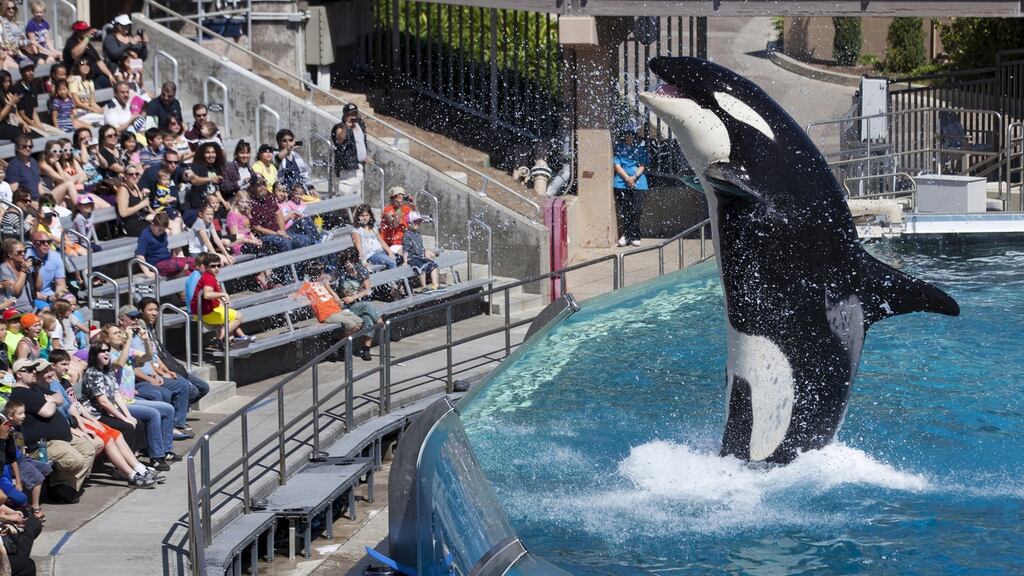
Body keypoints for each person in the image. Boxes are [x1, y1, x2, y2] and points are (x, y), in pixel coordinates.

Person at [46, 350, 158, 487]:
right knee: (107, 438)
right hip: (75, 424)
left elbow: (78, 406)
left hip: (85, 418)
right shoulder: (53, 386)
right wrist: (87, 424)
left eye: (67, 364)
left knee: (116, 434)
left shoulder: (65, 382)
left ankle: (139, 467)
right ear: (53, 365)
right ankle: (131, 474)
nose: (66, 368)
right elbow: (71, 412)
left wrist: (93, 420)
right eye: (63, 364)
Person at [9, 357, 96, 503]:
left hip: (60, 438)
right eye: (29, 370)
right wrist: (50, 401)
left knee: (90, 448)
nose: (34, 372)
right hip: (42, 444)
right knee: (76, 460)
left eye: (34, 369)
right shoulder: (20, 393)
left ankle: (64, 487)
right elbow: (47, 412)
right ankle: (58, 486)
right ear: (19, 374)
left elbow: (59, 397)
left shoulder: (34, 387)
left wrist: (51, 400)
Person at [81, 340, 175, 471]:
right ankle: (128, 467)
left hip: (106, 411)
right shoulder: (92, 373)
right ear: (94, 355)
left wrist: (128, 415)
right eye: (102, 351)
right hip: (94, 414)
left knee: (138, 423)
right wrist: (124, 419)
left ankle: (137, 459)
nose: (107, 353)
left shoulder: (108, 371)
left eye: (108, 350)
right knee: (127, 427)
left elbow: (116, 395)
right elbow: (103, 402)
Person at [135, 297, 209, 411]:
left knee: (203, 387)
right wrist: (161, 371)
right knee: (191, 390)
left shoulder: (150, 327)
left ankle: (178, 411)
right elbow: (148, 357)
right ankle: (177, 417)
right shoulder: (139, 331)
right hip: (157, 370)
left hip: (170, 366)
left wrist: (166, 369)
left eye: (156, 310)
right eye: (150, 310)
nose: (154, 313)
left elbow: (156, 353)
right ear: (141, 311)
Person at [2, 397, 52, 516]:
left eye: (24, 412)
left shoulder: (19, 427)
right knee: (37, 478)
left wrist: (23, 449)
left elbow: (19, 444)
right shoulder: (7, 431)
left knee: (47, 468)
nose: (24, 416)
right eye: (20, 413)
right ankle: (35, 507)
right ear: (10, 416)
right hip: (16, 463)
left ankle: (36, 496)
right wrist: (18, 481)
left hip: (23, 458)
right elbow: (11, 456)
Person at [191, 253, 252, 346]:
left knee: (229, 315)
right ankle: (219, 338)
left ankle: (232, 339)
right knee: (239, 317)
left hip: (202, 312)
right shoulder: (209, 278)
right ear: (206, 267)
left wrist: (221, 300)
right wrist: (223, 294)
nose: (216, 268)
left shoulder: (208, 277)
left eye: (218, 265)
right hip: (206, 313)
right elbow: (207, 295)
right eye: (213, 266)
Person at [336, 248, 385, 361]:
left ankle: (365, 349)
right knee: (367, 305)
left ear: (354, 260)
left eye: (349, 261)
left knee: (368, 319)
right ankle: (381, 323)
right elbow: (328, 281)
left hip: (358, 304)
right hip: (347, 307)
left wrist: (353, 297)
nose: (347, 264)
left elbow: (368, 290)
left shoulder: (362, 271)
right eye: (345, 261)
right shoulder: (340, 272)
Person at [290, 260, 362, 335]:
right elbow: (295, 295)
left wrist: (327, 286)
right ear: (320, 274)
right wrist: (295, 296)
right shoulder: (307, 286)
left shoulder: (322, 284)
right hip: (327, 315)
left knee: (359, 322)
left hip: (337, 311)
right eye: (324, 273)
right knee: (352, 325)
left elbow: (337, 299)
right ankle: (343, 343)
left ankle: (344, 340)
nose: (326, 275)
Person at [613, 122, 649, 247]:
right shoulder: (619, 148)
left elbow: (642, 165)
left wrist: (633, 177)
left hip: (639, 184)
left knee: (637, 210)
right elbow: (617, 165)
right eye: (627, 135)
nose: (629, 138)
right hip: (621, 183)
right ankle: (628, 235)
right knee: (625, 210)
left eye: (631, 135)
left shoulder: (641, 149)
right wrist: (627, 178)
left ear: (634, 136)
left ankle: (633, 235)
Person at [331, 103, 372, 195]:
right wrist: (346, 126)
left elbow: (360, 143)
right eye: (350, 114)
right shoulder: (339, 127)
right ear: (345, 115)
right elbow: (339, 141)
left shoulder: (360, 125)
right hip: (347, 169)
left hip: (359, 167)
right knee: (345, 197)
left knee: (357, 196)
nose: (353, 117)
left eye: (355, 114)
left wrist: (364, 156)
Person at [12, 62, 61, 137]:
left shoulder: (33, 87)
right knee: (46, 136)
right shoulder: (17, 88)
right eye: (27, 71)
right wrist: (37, 127)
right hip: (25, 123)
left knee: (60, 134)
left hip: (33, 121)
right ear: (21, 72)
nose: (31, 73)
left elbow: (34, 111)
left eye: (32, 70)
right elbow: (22, 115)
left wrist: (40, 125)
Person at [136, 212, 192, 278]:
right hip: (157, 265)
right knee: (181, 265)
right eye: (159, 230)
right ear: (153, 224)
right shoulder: (145, 235)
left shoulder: (163, 233)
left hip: (168, 262)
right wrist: (147, 273)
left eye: (163, 230)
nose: (161, 232)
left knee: (194, 262)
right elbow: (139, 255)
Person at [62, 21, 114, 89]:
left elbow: (98, 61)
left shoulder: (87, 43)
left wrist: (110, 75)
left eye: (87, 29)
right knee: (97, 88)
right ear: (77, 31)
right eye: (84, 30)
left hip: (95, 75)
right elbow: (75, 55)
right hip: (81, 77)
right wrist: (87, 38)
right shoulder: (72, 41)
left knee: (109, 84)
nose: (87, 31)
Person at [185, 141, 227, 226]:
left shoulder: (215, 168)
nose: (211, 155)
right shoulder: (197, 166)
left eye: (213, 152)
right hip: (200, 207)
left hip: (214, 206)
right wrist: (210, 179)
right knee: (213, 222)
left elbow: (215, 188)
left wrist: (223, 201)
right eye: (207, 152)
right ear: (202, 154)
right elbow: (194, 180)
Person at [402, 211, 444, 293]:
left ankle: (435, 285)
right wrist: (405, 261)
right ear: (409, 223)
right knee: (421, 266)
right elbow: (405, 250)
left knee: (433, 265)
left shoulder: (417, 233)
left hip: (420, 257)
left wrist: (425, 252)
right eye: (415, 222)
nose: (417, 224)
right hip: (412, 258)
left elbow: (420, 247)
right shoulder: (407, 235)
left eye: (419, 222)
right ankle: (424, 287)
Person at [25, 231, 64, 308]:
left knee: (71, 304)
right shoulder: (26, 258)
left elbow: (61, 283)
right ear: (34, 243)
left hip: (50, 295)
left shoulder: (55, 256)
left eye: (49, 242)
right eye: (42, 242)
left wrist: (58, 294)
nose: (46, 245)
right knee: (47, 309)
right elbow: (28, 290)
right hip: (31, 297)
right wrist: (47, 298)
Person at [350, 204, 396, 269]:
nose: (365, 218)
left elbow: (381, 241)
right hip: (371, 255)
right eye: (362, 216)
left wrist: (390, 252)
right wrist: (363, 261)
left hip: (381, 252)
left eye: (367, 215)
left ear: (370, 216)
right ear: (358, 216)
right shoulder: (357, 230)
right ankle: (394, 278)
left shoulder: (373, 227)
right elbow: (359, 247)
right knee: (391, 262)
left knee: (397, 257)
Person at [0, 239, 32, 313]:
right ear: (10, 254)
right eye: (19, 252)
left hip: (29, 308)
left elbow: (38, 287)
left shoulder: (23, 265)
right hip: (14, 311)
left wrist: (37, 272)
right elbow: (15, 292)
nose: (23, 254)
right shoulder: (3, 268)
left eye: (24, 251)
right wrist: (23, 271)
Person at [380, 186, 412, 255]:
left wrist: (413, 204)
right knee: (408, 254)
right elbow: (394, 224)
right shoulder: (388, 210)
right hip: (391, 244)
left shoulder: (405, 208)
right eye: (398, 197)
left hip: (403, 242)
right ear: (393, 198)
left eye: (402, 197)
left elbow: (417, 219)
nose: (400, 200)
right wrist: (399, 209)